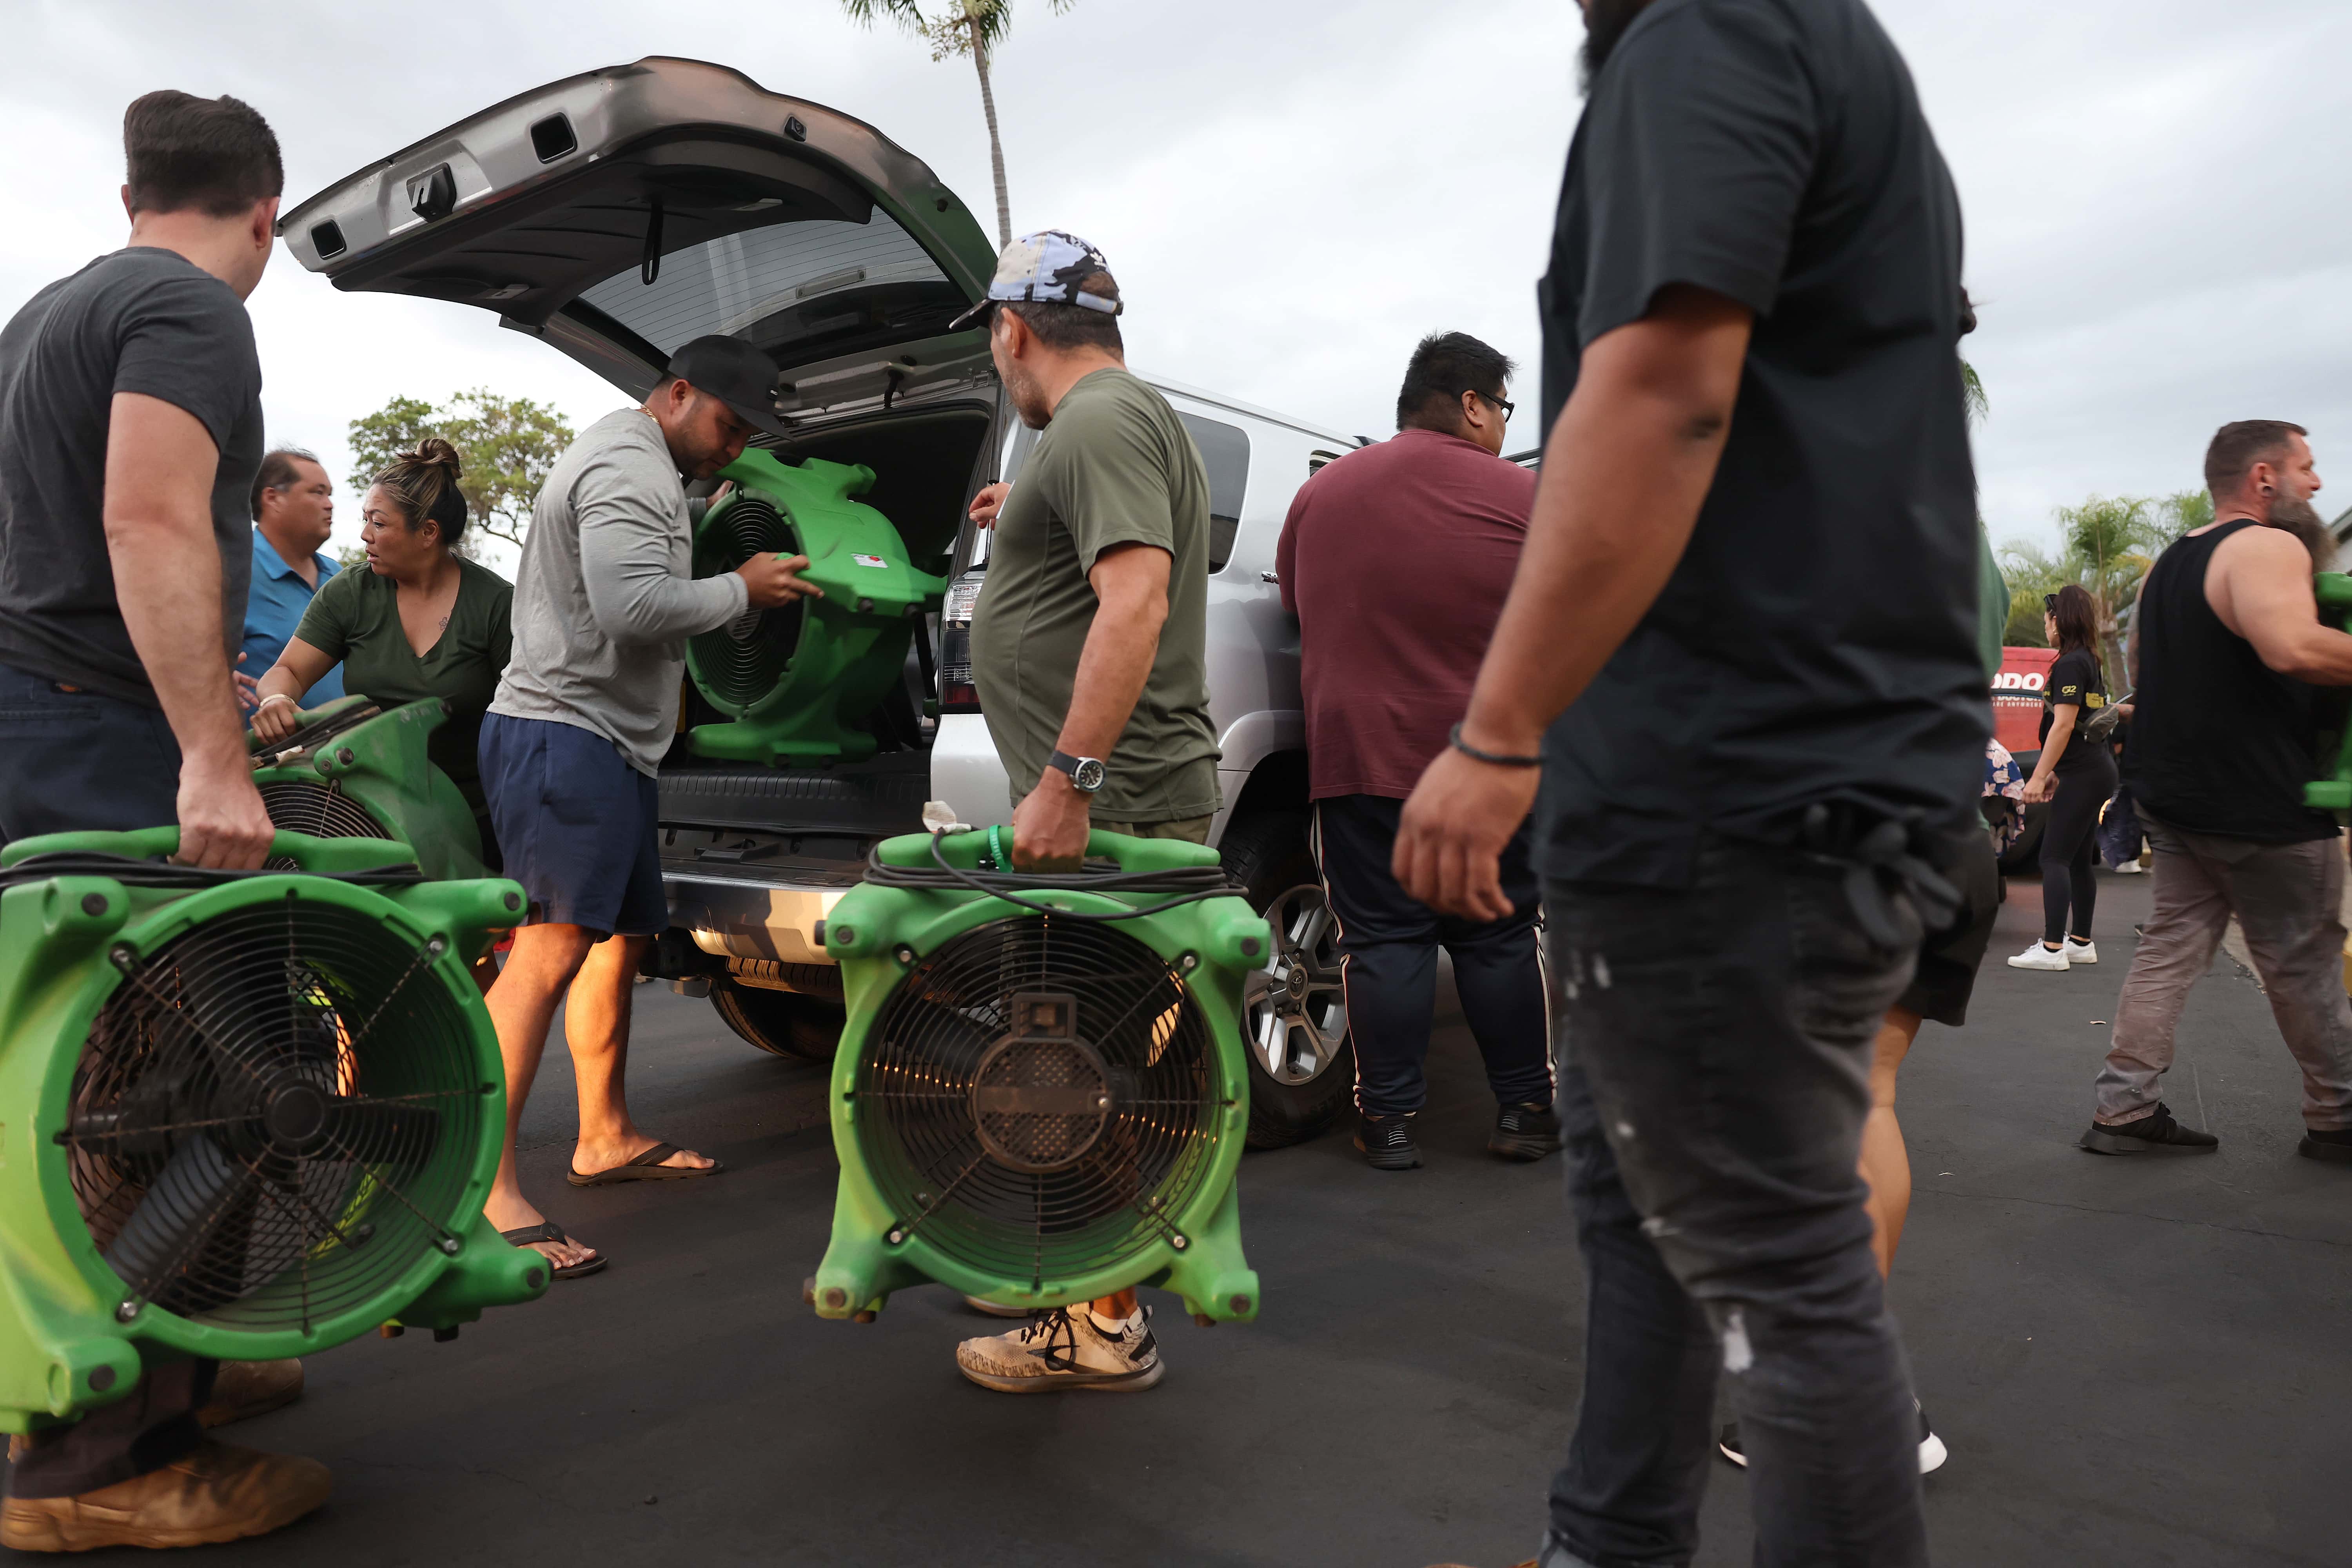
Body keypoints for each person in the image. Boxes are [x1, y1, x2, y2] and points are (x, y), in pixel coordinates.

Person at [1397, 0, 1980, 1560]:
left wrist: (1498, 732)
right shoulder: (1801, 52)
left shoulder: (1713, 29)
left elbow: (1665, 386)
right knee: (1645, 1222)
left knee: (1774, 1265)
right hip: (1758, 774)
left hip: (1733, 781)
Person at [0, 89, 331, 1551]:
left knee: (83, 1085)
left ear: (134, 194)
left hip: (35, 720)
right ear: (265, 212)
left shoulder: (44, 316)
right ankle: (104, 1453)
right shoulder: (192, 310)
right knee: (235, 1078)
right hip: (104, 735)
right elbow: (145, 519)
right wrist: (211, 752)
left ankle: (159, 1352)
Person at [474, 335, 815, 1278]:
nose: (734, 447)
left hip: (611, 739)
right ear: (676, 393)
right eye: (727, 425)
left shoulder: (653, 469)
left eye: (746, 436)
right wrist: (742, 587)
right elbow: (632, 606)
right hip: (563, 733)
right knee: (545, 952)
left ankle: (605, 1134)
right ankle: (484, 1190)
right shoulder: (627, 464)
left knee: (613, 942)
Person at [947, 230, 1220, 1394]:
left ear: (1012, 328)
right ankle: (1068, 1272)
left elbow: (1136, 599)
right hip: (1124, 806)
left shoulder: (1098, 422)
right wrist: (1028, 509)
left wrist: (1068, 782)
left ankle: (1099, 1322)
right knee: (1074, 1054)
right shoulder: (1109, 425)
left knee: (1067, 1070)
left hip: (1115, 814)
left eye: (990, 338)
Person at [1274, 331, 1555, 1172]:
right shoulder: (1526, 498)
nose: (1503, 425)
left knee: (1384, 942)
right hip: (1488, 766)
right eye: (1502, 407)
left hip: (1360, 761)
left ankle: (1390, 1122)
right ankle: (1524, 1112)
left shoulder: (1320, 494)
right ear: (1471, 403)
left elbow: (1296, 606)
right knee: (1497, 935)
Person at [2080, 420, 2352, 1160]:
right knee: (2303, 963)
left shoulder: (2167, 565)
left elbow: (2144, 674)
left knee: (2169, 949)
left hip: (2173, 795)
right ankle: (2339, 1118)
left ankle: (2124, 1110)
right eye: (2307, 466)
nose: (2317, 482)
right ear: (2264, 478)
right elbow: (2292, 647)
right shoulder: (2267, 545)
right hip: (2259, 800)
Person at [251, 438, 511, 868]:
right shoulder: (351, 592)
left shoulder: (496, 605)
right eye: (365, 519)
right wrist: (276, 699)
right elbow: (289, 670)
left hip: (475, 824)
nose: (364, 534)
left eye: (379, 523)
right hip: (362, 814)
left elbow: (526, 725)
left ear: (428, 532)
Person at [2009, 583, 2115, 970]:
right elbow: (2082, 724)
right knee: (2077, 860)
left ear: (2060, 620)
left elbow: (2065, 725)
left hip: (2084, 773)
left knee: (2053, 857)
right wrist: (2055, 769)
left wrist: (2038, 776)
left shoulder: (2070, 664)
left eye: (2048, 619)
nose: (2045, 626)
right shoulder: (2089, 660)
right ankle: (2080, 943)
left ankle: (2053, 948)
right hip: (2094, 768)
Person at [241, 448, 343, 706]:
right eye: (317, 492)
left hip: (353, 733)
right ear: (273, 498)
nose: (329, 505)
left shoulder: (339, 577)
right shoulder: (232, 572)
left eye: (329, 494)